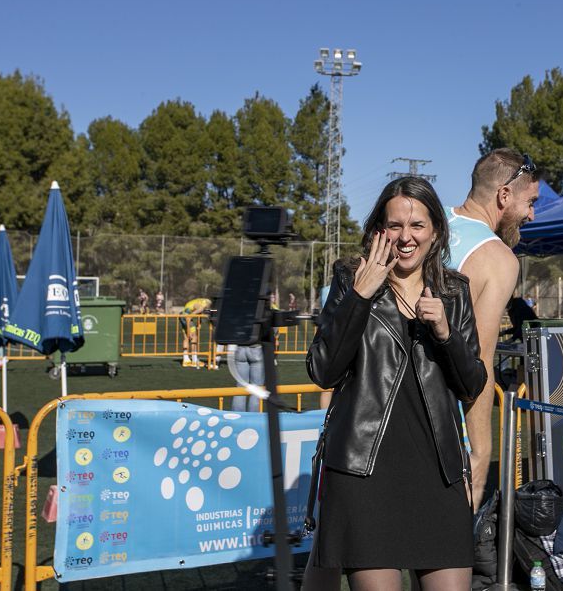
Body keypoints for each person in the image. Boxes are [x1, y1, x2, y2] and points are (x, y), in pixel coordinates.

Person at [305, 176, 486, 590]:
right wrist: (360, 295)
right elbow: (323, 370)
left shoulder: (454, 291)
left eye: (417, 225)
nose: (406, 237)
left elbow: (471, 384)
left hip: (438, 475)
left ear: (436, 230)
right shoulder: (352, 277)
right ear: (379, 231)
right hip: (364, 475)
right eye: (396, 226)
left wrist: (444, 332)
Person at [445, 148, 539, 507]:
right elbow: (477, 362)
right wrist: (481, 452)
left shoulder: (425, 224)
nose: (532, 214)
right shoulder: (498, 257)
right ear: (504, 195)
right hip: (438, 423)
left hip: (375, 409)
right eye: (530, 202)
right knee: (445, 557)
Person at [179, 297, 213, 369]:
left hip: (182, 315)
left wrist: (199, 322)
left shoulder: (200, 301)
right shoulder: (203, 305)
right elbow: (192, 315)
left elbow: (198, 312)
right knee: (194, 337)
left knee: (186, 338)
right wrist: (189, 329)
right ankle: (194, 360)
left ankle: (186, 360)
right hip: (187, 318)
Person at [228, 344, 264, 412]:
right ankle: (253, 417)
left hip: (240, 347)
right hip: (256, 348)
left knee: (240, 388)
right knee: (256, 388)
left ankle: (237, 416)